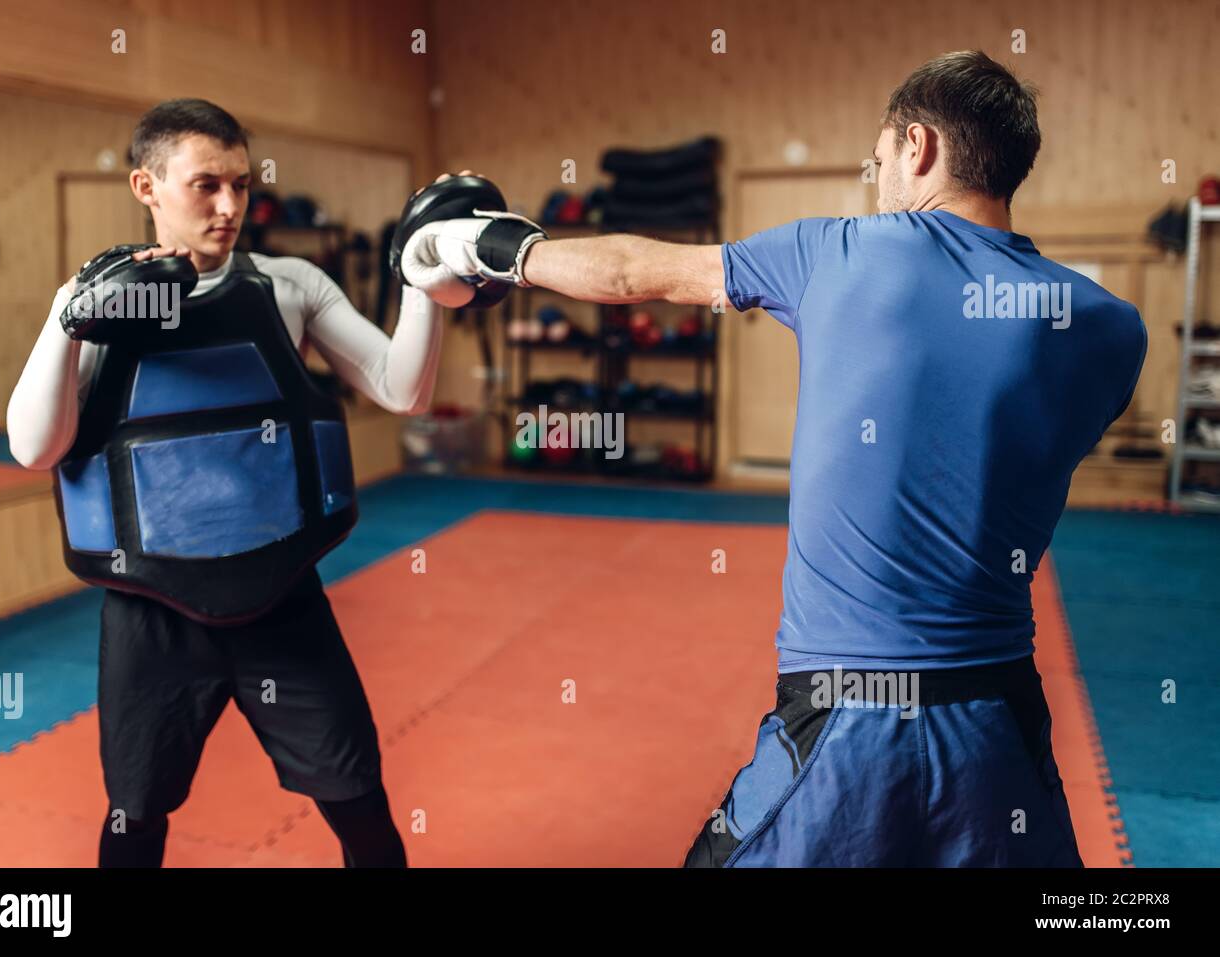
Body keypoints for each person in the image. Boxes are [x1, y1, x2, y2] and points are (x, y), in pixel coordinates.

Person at [399, 51, 1147, 866]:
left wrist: (477, 243)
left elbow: (628, 271)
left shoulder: (837, 253)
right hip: (1000, 718)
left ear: (919, 146)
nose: (877, 176)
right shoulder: (1110, 328)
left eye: (881, 156)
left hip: (848, 717)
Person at [6, 98, 442, 867]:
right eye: (205, 185)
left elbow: (401, 388)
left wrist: (425, 285)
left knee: (360, 799)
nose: (230, 205)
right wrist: (68, 318)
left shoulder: (289, 286)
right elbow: (35, 449)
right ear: (146, 186)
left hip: (283, 600)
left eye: (241, 184)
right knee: (134, 821)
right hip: (152, 616)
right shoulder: (93, 306)